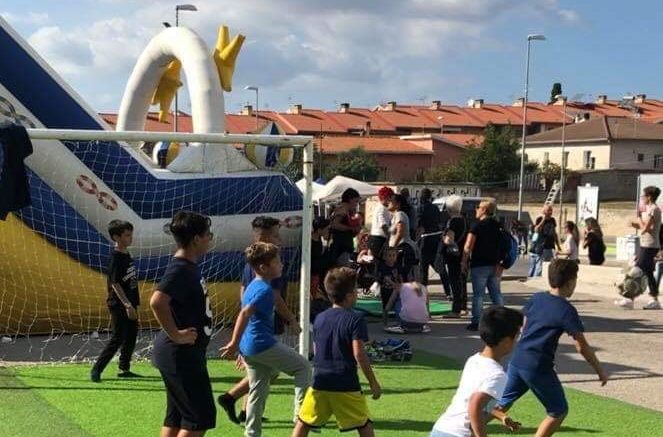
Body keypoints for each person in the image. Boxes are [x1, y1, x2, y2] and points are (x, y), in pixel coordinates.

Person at [497, 259, 608, 437]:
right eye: (576, 280)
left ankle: (467, 430)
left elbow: (523, 325)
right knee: (558, 410)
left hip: (517, 360)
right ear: (570, 282)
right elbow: (582, 346)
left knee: (500, 404)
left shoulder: (537, 298)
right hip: (538, 365)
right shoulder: (566, 310)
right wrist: (599, 369)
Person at [220, 242, 312, 437]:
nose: (282, 265)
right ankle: (300, 418)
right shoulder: (263, 290)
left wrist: (292, 320)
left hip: (250, 347)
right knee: (303, 367)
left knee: (259, 387)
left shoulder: (256, 285)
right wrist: (234, 343)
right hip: (261, 344)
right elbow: (244, 314)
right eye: (277, 262)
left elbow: (276, 303)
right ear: (263, 267)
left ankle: (252, 433)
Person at [293, 267, 381, 437]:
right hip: (345, 382)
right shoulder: (356, 319)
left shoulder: (320, 318)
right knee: (364, 424)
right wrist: (373, 382)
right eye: (355, 290)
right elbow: (359, 354)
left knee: (303, 422)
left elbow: (317, 348)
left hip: (319, 381)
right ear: (349, 295)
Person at [150, 211, 216, 437]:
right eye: (208, 235)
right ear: (196, 239)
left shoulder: (188, 266)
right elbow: (157, 301)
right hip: (180, 354)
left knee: (177, 416)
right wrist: (176, 335)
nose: (210, 239)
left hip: (184, 354)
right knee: (199, 418)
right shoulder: (180, 268)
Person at [429, 306, 523, 437]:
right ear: (507, 341)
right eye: (517, 336)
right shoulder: (497, 375)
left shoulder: (474, 360)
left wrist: (501, 416)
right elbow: (474, 405)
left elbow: (475, 403)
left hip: (442, 428)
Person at [91, 220, 140, 382]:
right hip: (119, 304)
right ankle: (97, 369)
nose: (130, 238)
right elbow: (115, 283)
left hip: (131, 302)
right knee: (118, 337)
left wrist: (134, 303)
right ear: (116, 237)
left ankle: (124, 368)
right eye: (127, 235)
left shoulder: (126, 254)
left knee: (131, 335)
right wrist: (127, 305)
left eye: (131, 234)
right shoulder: (116, 257)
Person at [462, 200, 503, 331]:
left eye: (478, 207)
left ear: (484, 210)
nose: (476, 209)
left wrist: (464, 261)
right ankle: (503, 320)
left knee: (478, 295)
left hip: (479, 264)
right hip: (495, 264)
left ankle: (476, 321)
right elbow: (503, 245)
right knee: (496, 293)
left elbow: (468, 246)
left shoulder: (477, 225)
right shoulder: (498, 225)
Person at [627, 186, 662, 310]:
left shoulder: (654, 209)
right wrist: (634, 224)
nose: (642, 198)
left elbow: (646, 228)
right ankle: (654, 300)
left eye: (644, 196)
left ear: (649, 197)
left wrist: (639, 219)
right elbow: (647, 228)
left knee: (637, 270)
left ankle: (629, 298)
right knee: (648, 273)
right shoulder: (649, 210)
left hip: (650, 245)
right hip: (646, 244)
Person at [442, 196, 468, 317]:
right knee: (462, 280)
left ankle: (455, 310)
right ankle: (463, 307)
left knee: (454, 282)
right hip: (463, 254)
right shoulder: (465, 220)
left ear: (449, 208)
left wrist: (443, 238)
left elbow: (449, 240)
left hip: (453, 255)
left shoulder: (452, 221)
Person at [388, 193, 418, 281]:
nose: (388, 203)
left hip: (403, 248)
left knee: (403, 276)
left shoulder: (400, 214)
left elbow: (400, 232)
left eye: (391, 201)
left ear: (397, 204)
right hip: (400, 248)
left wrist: (393, 248)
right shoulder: (395, 216)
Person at [418, 188, 442, 287]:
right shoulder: (435, 208)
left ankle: (423, 289)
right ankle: (448, 289)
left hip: (424, 239)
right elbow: (439, 222)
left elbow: (419, 224)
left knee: (423, 268)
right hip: (435, 239)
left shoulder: (421, 208)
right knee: (437, 265)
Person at [330, 188, 362, 263]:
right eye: (356, 201)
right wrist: (350, 228)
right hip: (340, 248)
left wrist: (356, 229)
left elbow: (350, 233)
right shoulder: (342, 210)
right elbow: (334, 225)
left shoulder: (348, 211)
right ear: (350, 199)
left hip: (344, 247)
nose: (356, 204)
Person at [311, 217, 333, 323]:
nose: (328, 231)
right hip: (312, 273)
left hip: (317, 273)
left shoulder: (319, 239)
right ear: (319, 229)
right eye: (326, 229)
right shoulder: (310, 241)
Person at [529, 205, 560, 277]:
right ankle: (534, 280)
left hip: (550, 246)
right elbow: (536, 230)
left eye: (551, 210)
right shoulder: (539, 219)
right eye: (548, 210)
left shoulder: (552, 220)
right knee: (539, 268)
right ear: (544, 211)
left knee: (547, 267)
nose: (550, 212)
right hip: (542, 247)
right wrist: (543, 219)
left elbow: (554, 233)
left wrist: (558, 245)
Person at [377, 247, 402, 326]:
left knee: (397, 304)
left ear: (396, 256)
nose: (391, 258)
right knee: (386, 306)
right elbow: (385, 278)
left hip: (395, 289)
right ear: (385, 257)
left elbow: (400, 275)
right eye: (389, 255)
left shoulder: (397, 265)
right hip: (386, 289)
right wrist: (393, 284)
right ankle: (385, 322)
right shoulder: (383, 266)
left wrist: (402, 284)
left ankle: (399, 321)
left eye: (393, 255)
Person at [368, 186, 394, 259]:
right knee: (378, 261)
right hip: (378, 239)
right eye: (390, 197)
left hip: (377, 238)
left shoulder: (382, 208)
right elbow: (383, 224)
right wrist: (389, 236)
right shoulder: (382, 208)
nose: (391, 200)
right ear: (385, 197)